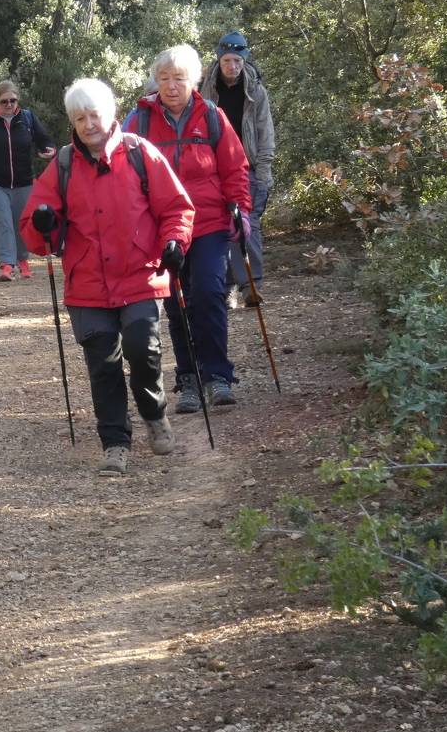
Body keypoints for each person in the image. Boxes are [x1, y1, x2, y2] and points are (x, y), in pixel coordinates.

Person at [20, 79, 194, 476]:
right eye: (79, 118)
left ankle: (154, 412)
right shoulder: (62, 165)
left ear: (110, 113)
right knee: (103, 365)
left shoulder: (140, 153)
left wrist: (175, 243)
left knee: (142, 349)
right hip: (88, 286)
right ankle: (115, 443)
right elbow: (33, 229)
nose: (88, 124)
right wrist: (44, 224)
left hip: (139, 277)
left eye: (94, 114)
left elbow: (177, 208)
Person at [123, 44, 251, 413]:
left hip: (208, 222)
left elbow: (234, 167)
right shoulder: (140, 121)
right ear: (156, 82)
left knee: (209, 293)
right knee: (177, 303)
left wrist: (240, 211)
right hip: (162, 227)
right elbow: (123, 167)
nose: (171, 85)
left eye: (178, 78)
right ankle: (188, 378)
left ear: (192, 81)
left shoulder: (211, 116)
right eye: (164, 78)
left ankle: (217, 375)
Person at [200, 31, 276, 308]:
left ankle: (251, 286)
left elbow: (265, 132)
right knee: (220, 225)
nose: (232, 67)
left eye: (238, 61)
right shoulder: (204, 89)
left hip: (248, 167)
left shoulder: (255, 91)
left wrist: (264, 174)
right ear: (219, 60)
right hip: (212, 168)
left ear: (245, 61)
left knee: (247, 224)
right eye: (227, 61)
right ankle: (229, 286)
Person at [0, 79, 56, 282]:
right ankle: (7, 265)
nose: (9, 105)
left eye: (13, 101)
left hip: (24, 182)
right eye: (4, 101)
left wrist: (49, 149)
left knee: (21, 223)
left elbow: (44, 139)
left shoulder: (27, 118)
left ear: (18, 101)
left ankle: (23, 261)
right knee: (4, 223)